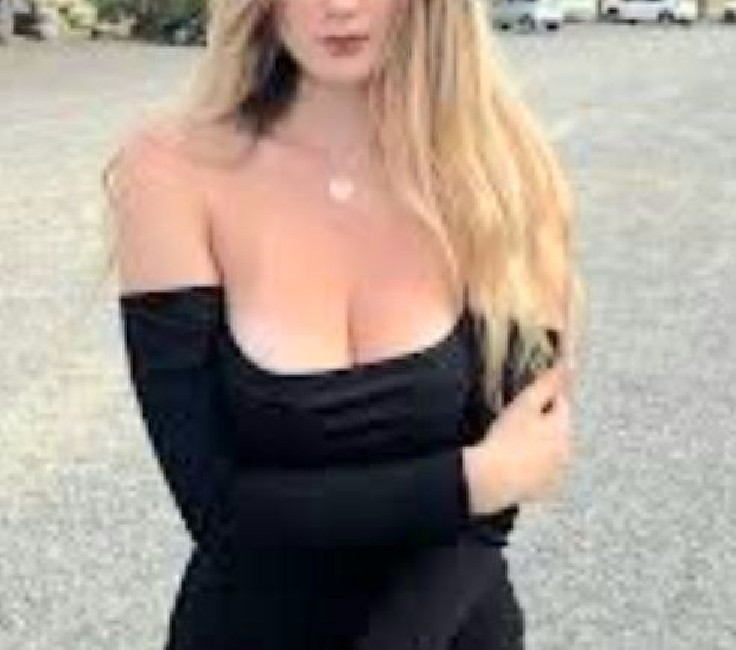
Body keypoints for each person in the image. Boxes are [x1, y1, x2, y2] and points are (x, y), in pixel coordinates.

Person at [103, 1, 586, 648]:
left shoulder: (504, 179)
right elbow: (219, 512)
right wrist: (472, 478)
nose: (339, 6)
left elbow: (489, 518)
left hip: (447, 628)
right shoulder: (170, 171)